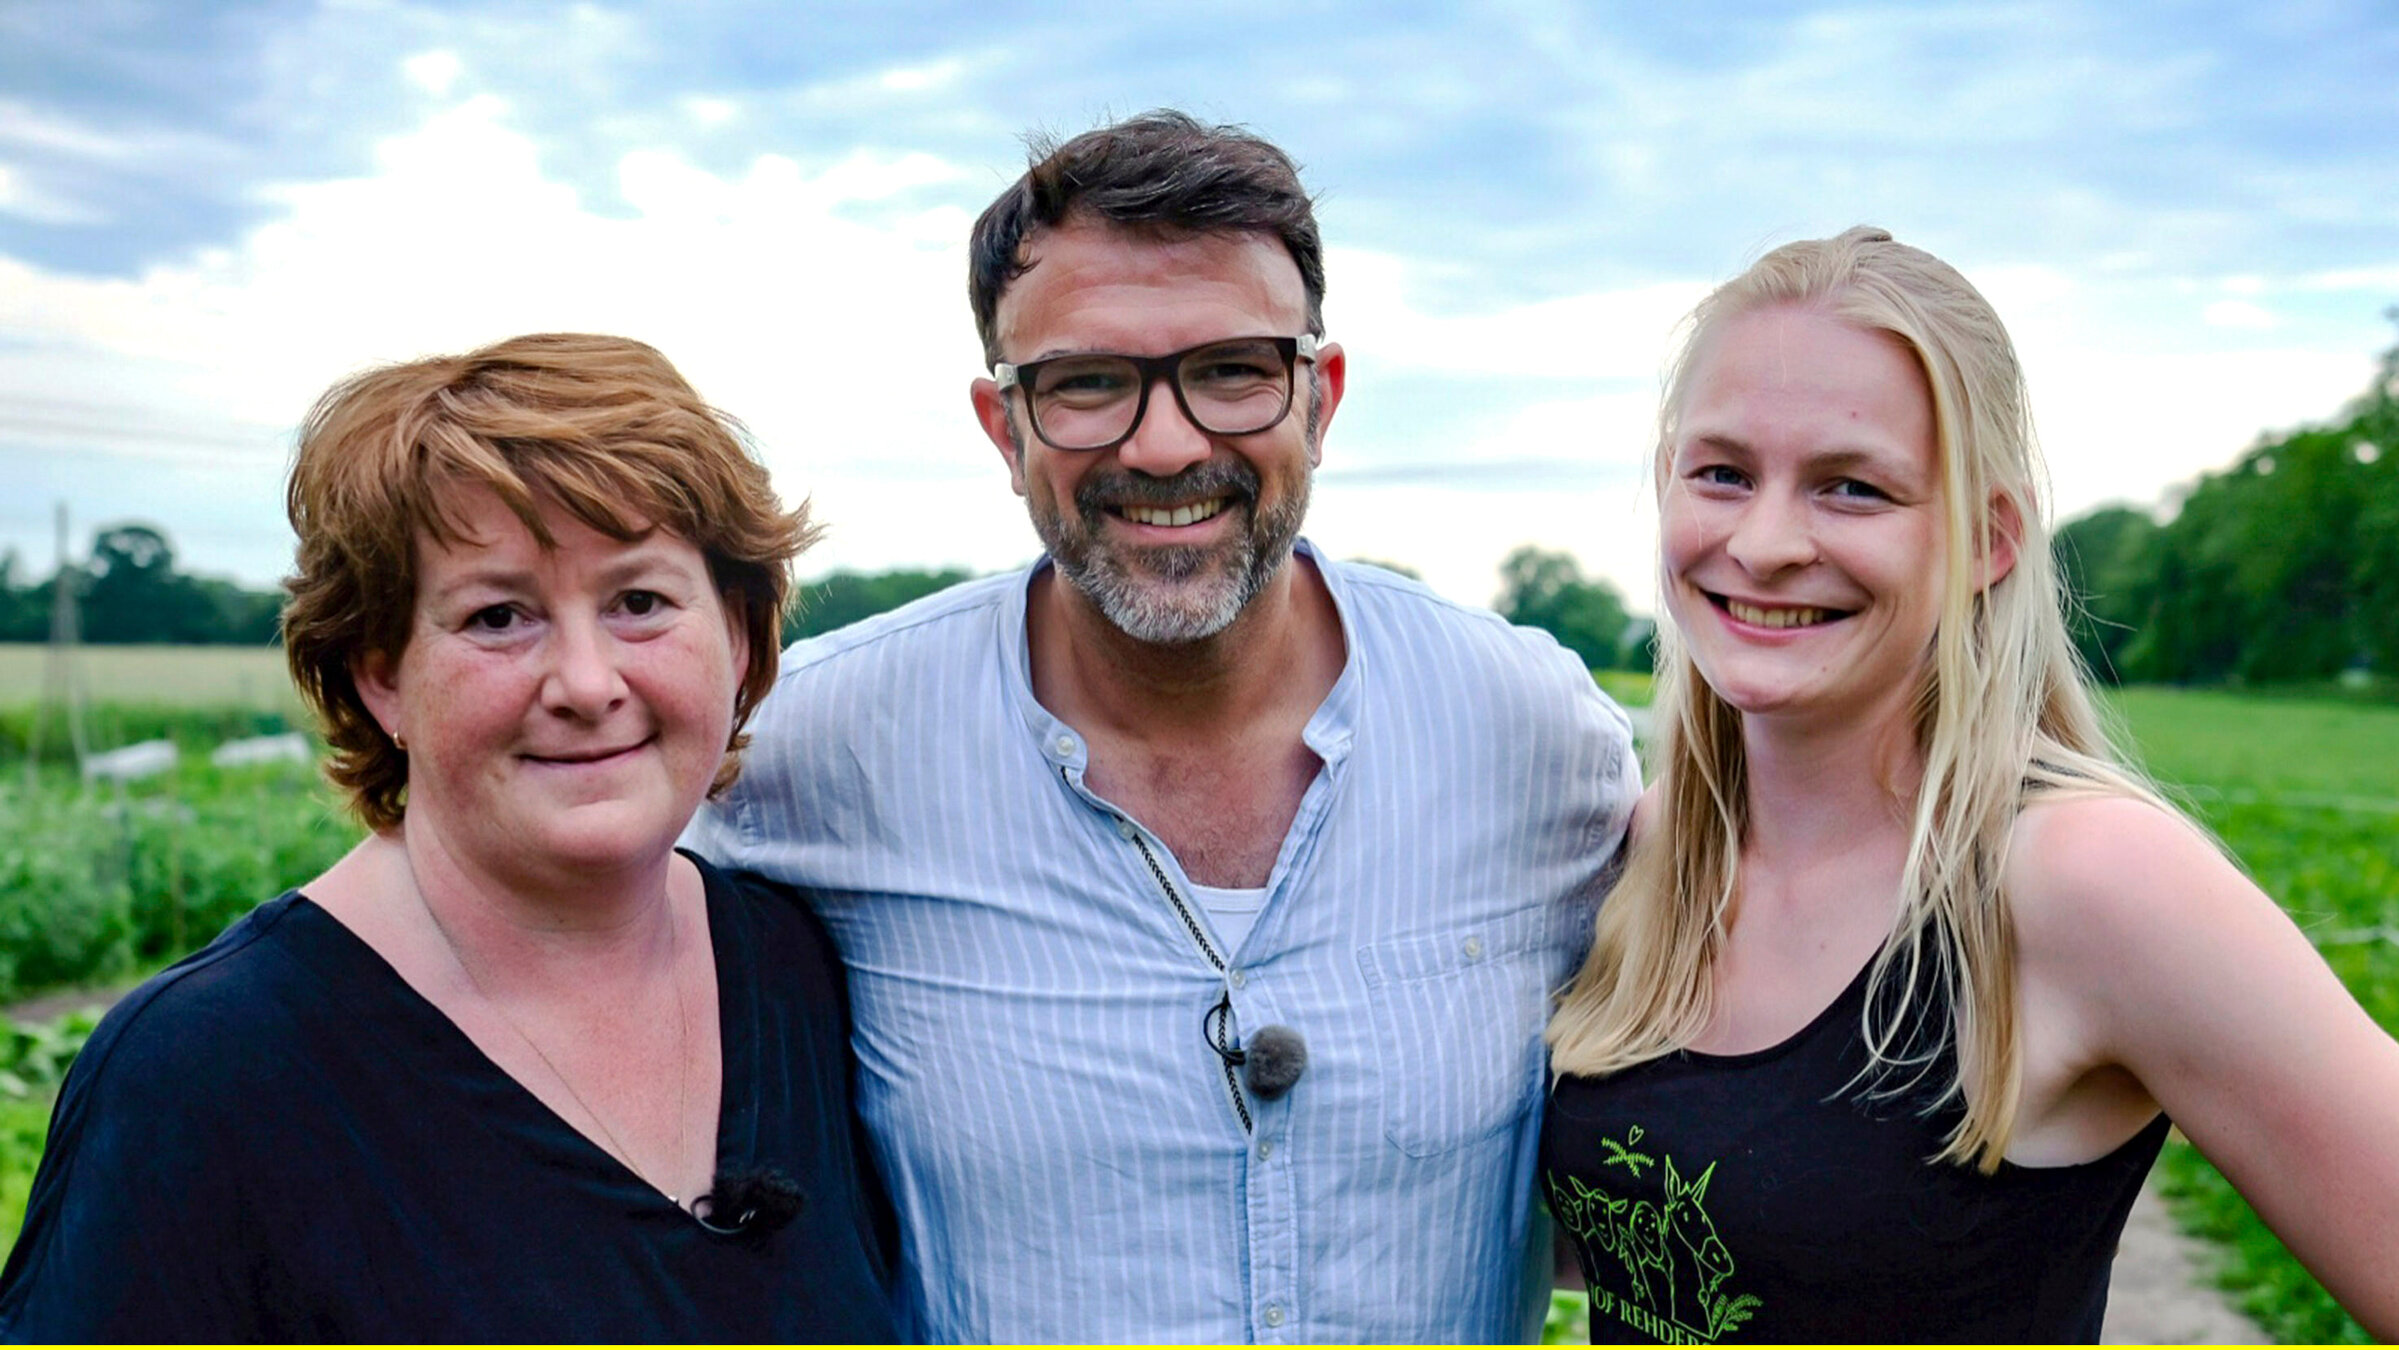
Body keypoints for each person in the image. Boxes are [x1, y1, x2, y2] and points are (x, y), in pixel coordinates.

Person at [684, 109, 1642, 1343]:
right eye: (1086, 383)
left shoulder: (1531, 735)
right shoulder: (812, 750)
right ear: (1002, 426)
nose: (1167, 443)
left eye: (1232, 370)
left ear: (1320, 394)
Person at [1541, 226, 2399, 1342]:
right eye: (1722, 473)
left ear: (1987, 540)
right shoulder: (1649, 851)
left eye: (1850, 488)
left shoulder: (2086, 879)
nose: (1760, 542)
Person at [0, 334, 898, 1340]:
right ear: (380, 673)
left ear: (736, 636)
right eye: (499, 616)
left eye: (638, 602)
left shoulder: (794, 966)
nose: (586, 683)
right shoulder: (207, 1071)